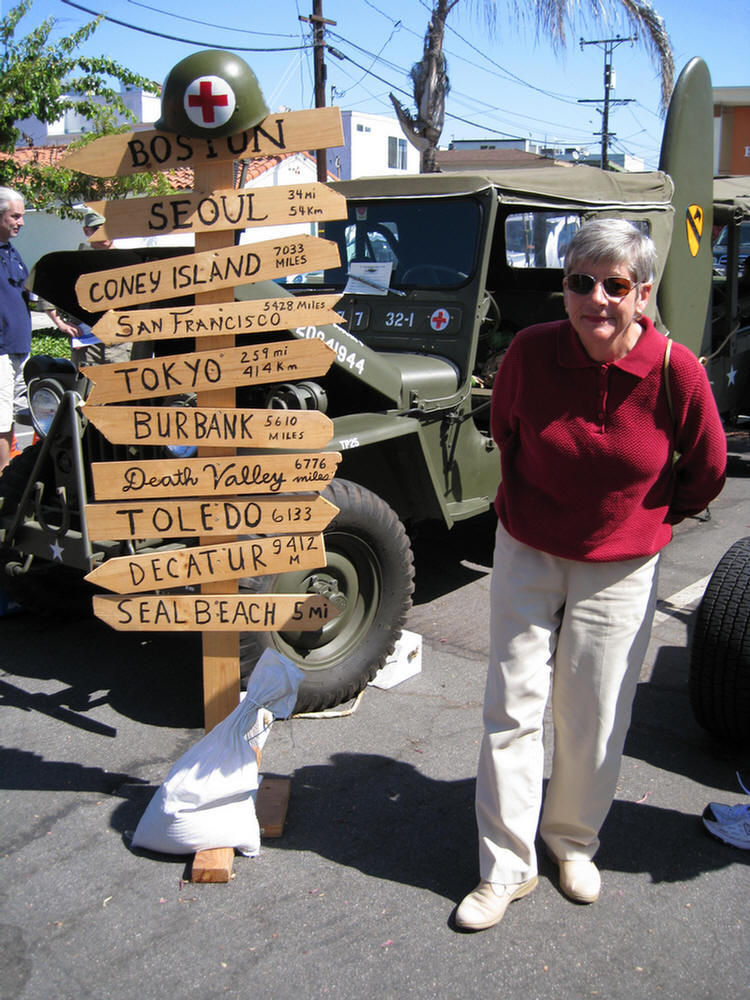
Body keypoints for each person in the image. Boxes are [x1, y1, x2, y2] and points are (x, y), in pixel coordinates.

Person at [455, 218, 727, 932]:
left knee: (596, 715)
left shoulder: (677, 371)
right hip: (529, 545)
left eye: (615, 286)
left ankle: (572, 841)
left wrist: (647, 522)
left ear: (643, 294)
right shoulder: (530, 352)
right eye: (581, 283)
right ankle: (506, 867)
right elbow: (505, 430)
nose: (596, 300)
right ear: (565, 288)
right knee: (512, 707)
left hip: (624, 562)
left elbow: (707, 470)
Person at [44, 210, 129, 368]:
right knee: (86, 391)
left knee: (122, 390)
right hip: (87, 345)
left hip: (122, 345)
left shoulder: (130, 261)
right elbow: (46, 293)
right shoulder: (72, 263)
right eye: (96, 229)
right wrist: (60, 323)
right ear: (86, 231)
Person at [0, 187, 31, 472]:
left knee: (24, 412)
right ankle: (3, 478)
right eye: (16, 216)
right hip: (1, 351)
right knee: (1, 419)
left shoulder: (12, 251)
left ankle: (17, 471)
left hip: (20, 348)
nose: (21, 222)